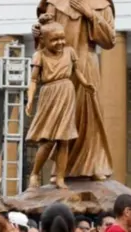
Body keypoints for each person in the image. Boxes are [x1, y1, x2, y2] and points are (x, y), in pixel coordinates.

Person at [32, 0, 116, 181]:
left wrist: (90, 13)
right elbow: (45, 40)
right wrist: (38, 31)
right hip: (60, 67)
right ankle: (61, 171)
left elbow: (109, 40)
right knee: (62, 118)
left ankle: (93, 165)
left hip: (86, 63)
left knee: (89, 114)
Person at [26, 13, 95, 189]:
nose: (60, 43)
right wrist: (30, 99)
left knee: (64, 139)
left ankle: (60, 177)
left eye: (62, 39)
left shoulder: (70, 52)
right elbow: (34, 80)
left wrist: (85, 83)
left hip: (67, 92)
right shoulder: (39, 55)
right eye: (54, 40)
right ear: (44, 41)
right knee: (48, 140)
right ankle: (34, 174)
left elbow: (77, 71)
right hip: (49, 94)